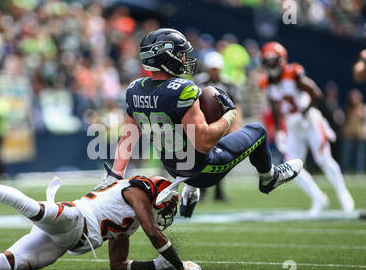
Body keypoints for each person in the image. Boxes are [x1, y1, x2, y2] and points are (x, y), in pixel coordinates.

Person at [94, 28, 303, 219]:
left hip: (174, 168)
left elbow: (128, 136)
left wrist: (116, 174)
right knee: (257, 130)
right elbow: (204, 143)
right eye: (181, 53)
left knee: (199, 114)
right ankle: (270, 177)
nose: (185, 58)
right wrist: (229, 114)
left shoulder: (134, 89)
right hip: (202, 170)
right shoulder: (183, 89)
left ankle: (190, 189)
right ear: (167, 56)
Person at [0, 170, 201, 270]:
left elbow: (117, 265)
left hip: (64, 242)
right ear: (156, 194)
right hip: (75, 218)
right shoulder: (137, 191)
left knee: (0, 264)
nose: (164, 212)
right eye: (165, 205)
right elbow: (154, 233)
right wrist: (178, 265)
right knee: (31, 207)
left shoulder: (133, 219)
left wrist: (154, 265)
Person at [259, 41, 355, 215]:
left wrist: (305, 111)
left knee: (323, 160)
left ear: (281, 60)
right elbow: (273, 107)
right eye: (268, 60)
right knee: (290, 167)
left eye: (273, 59)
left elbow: (316, 93)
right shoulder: (266, 83)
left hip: (309, 121)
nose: (270, 64)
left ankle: (343, 194)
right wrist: (280, 129)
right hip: (292, 126)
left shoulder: (292, 73)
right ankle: (318, 198)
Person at [194, 51, 243, 202]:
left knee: (222, 159)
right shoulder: (198, 82)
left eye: (216, 68)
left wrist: (236, 125)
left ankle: (219, 192)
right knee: (202, 158)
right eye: (211, 68)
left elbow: (236, 107)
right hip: (204, 125)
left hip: (223, 125)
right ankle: (201, 192)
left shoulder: (229, 84)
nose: (214, 71)